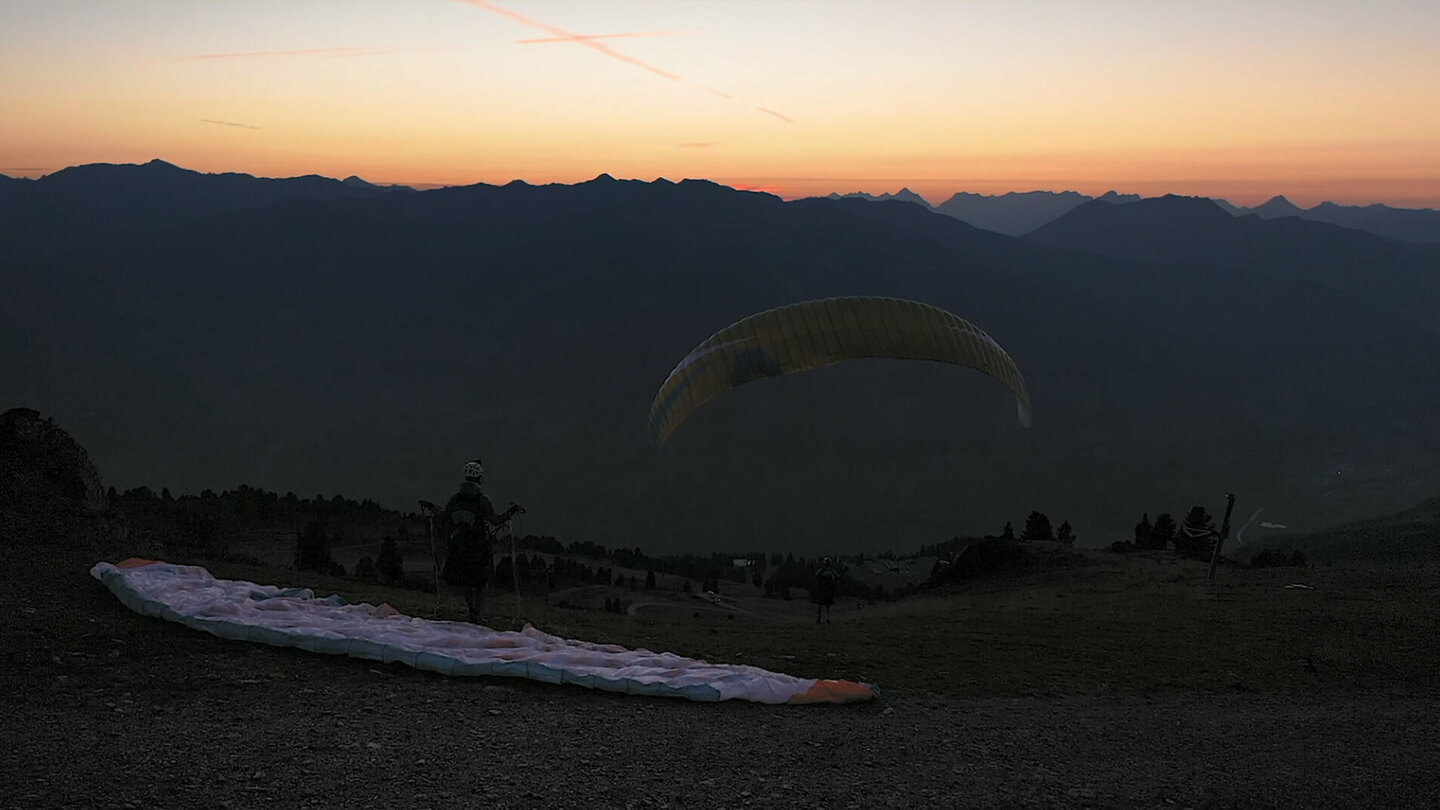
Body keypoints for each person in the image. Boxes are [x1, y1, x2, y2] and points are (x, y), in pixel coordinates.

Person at [439, 459, 524, 622]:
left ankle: (471, 611)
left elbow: (444, 517)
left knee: (466, 581)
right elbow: (495, 520)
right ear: (480, 478)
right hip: (479, 546)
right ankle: (478, 614)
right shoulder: (483, 500)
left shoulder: (455, 499)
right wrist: (511, 511)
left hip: (459, 545)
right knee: (480, 581)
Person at [813, 557, 839, 624]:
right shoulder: (830, 570)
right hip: (827, 590)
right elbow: (837, 576)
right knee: (826, 606)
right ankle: (826, 619)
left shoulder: (823, 570)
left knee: (822, 605)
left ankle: (821, 619)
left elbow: (816, 575)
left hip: (824, 590)